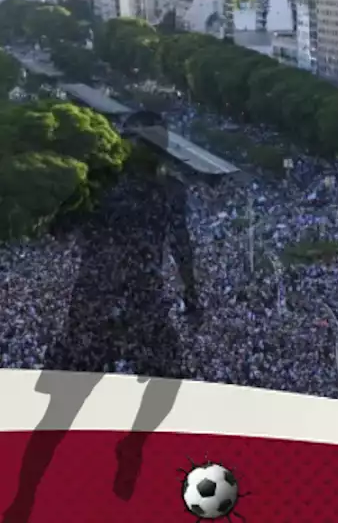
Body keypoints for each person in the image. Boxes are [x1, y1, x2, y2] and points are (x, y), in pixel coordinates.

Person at [3, 112, 200, 523]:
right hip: (114, 297)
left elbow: (181, 245)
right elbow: (180, 247)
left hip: (112, 296)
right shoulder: (117, 188)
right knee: (64, 411)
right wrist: (191, 297)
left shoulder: (142, 189)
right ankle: (27, 495)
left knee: (71, 409)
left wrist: (191, 295)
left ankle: (34, 492)